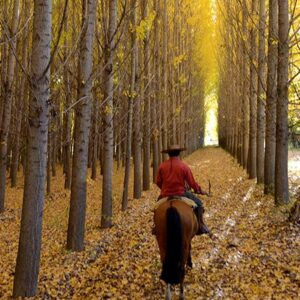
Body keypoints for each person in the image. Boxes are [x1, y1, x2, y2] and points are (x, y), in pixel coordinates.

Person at [155, 145, 210, 235]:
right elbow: (192, 183)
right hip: (181, 193)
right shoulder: (184, 166)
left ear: (168, 154)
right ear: (179, 154)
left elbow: (158, 182)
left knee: (156, 208)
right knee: (199, 204)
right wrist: (198, 190)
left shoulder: (162, 166)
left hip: (165, 194)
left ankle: (155, 227)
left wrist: (164, 189)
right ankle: (201, 225)